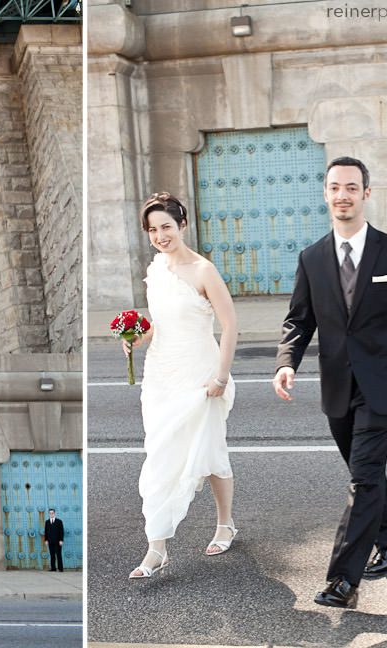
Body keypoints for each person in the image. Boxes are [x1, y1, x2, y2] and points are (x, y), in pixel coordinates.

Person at [273, 156, 387, 609]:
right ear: (325, 194)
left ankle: (343, 580)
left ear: (366, 194)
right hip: (337, 386)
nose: (343, 195)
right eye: (335, 187)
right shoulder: (312, 258)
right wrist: (286, 362)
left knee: (363, 478)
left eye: (352, 187)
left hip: (382, 383)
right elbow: (299, 319)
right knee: (367, 476)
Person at [125, 191, 239, 579]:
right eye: (153, 230)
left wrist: (220, 376)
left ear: (182, 225)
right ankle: (157, 548)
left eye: (166, 227)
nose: (160, 236)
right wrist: (136, 338)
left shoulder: (204, 271)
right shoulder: (156, 269)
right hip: (162, 374)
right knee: (160, 454)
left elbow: (230, 325)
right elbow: (159, 324)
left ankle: (225, 524)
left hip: (200, 371)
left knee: (209, 451)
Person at [44, 508, 64, 572]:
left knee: (58, 555)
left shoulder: (59, 521)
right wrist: (46, 540)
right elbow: (46, 532)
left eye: (52, 513)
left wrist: (61, 540)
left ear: (54, 513)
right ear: (49, 514)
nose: (51, 514)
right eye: (50, 513)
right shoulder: (47, 522)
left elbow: (61, 531)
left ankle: (60, 568)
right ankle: (53, 568)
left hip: (58, 541)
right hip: (50, 541)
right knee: (52, 555)